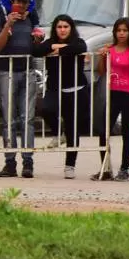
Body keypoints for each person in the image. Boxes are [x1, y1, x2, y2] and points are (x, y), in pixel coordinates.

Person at [33, 14, 89, 179]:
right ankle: (58, 133)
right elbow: (36, 50)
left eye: (65, 26)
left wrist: (59, 49)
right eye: (59, 27)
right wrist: (55, 47)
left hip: (76, 90)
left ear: (71, 28)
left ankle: (70, 166)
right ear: (55, 29)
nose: (62, 30)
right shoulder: (50, 42)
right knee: (45, 109)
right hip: (55, 88)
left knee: (73, 129)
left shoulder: (77, 41)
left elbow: (79, 48)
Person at [0, 0, 41, 179]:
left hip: (27, 71)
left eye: (23, 2)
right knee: (8, 119)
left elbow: (36, 46)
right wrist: (8, 25)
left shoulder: (32, 20)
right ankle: (10, 162)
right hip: (7, 72)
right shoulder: (1, 19)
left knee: (27, 118)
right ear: (11, 2)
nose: (20, 5)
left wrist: (38, 39)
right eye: (17, 1)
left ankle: (28, 162)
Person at [93, 18, 129, 181]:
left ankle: (124, 168)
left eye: (125, 31)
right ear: (115, 32)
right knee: (104, 130)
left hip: (128, 93)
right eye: (119, 30)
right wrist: (103, 57)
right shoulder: (110, 50)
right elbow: (101, 71)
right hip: (112, 92)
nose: (121, 33)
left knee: (126, 131)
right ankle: (105, 168)